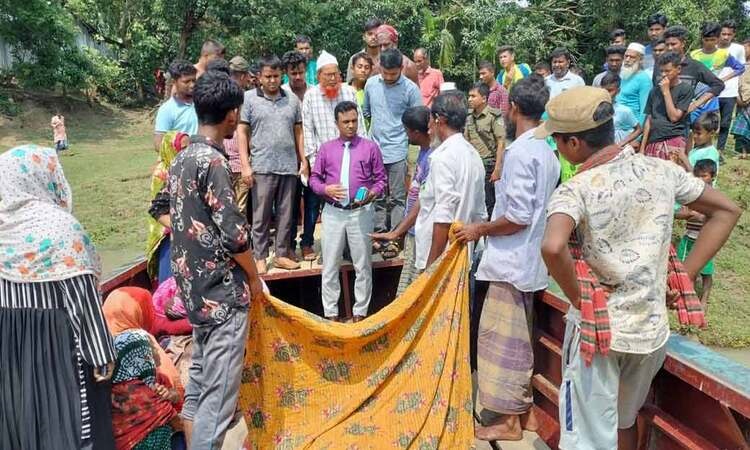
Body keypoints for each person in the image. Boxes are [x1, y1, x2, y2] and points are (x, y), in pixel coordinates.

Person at [539, 86, 740, 450]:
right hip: (649, 331)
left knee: (586, 435)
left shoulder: (576, 189)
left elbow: (553, 247)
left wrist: (582, 300)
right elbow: (727, 211)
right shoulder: (661, 170)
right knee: (625, 421)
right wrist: (686, 277)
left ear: (571, 145)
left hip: (597, 335)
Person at [454, 76, 558, 442]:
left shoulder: (521, 153)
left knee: (502, 345)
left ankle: (508, 422)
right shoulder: (547, 152)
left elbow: (516, 217)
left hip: (512, 264)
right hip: (528, 262)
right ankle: (525, 416)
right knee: (518, 340)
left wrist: (478, 229)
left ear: (512, 107)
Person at [167, 69, 265, 449]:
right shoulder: (215, 162)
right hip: (223, 299)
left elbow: (163, 209)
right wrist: (255, 278)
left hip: (195, 295)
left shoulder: (181, 159)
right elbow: (236, 235)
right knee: (219, 400)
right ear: (232, 115)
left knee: (200, 389)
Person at [0, 145, 116, 450]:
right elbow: (84, 303)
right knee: (70, 428)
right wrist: (102, 357)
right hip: (58, 353)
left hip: (10, 356)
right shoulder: (60, 229)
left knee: (20, 429)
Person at [310, 101, 387, 321]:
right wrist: (326, 188)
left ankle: (360, 312)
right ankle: (331, 314)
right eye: (346, 122)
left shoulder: (369, 147)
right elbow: (314, 179)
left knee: (362, 264)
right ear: (337, 123)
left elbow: (381, 179)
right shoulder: (326, 149)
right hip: (333, 212)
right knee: (330, 264)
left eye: (354, 121)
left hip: (360, 212)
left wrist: (373, 192)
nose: (351, 126)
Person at [238, 55, 304, 273]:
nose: (272, 81)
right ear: (259, 77)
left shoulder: (292, 99)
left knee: (286, 214)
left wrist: (303, 159)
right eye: (268, 76)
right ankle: (260, 255)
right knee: (261, 214)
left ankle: (282, 253)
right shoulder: (248, 99)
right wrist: (245, 165)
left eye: (276, 76)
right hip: (262, 166)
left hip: (288, 166)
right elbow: (242, 132)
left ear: (281, 76)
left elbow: (298, 131)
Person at [301, 51, 365, 262]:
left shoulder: (348, 92)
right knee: (313, 203)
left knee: (347, 202)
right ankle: (308, 243)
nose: (332, 78)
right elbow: (308, 130)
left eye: (335, 74)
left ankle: (347, 247)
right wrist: (310, 162)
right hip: (321, 159)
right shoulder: (310, 96)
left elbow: (360, 125)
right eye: (327, 75)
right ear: (318, 75)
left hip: (349, 157)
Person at [415, 91, 487, 271]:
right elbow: (480, 213)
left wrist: (432, 268)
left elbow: (443, 215)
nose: (429, 126)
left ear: (440, 119)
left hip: (442, 258)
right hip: (462, 256)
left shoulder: (443, 157)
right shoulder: (473, 154)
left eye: (431, 119)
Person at [104, 288, 183, 450]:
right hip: (157, 427)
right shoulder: (142, 340)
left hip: (119, 440)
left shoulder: (98, 349)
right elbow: (173, 385)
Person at [370, 106, 433, 295]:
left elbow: (424, 200)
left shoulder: (433, 158)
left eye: (406, 131)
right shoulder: (423, 152)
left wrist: (397, 232)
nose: (405, 135)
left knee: (416, 289)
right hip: (413, 230)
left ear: (415, 132)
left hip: (422, 230)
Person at [364, 48, 422, 238]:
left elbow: (418, 119)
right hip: (375, 149)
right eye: (385, 72)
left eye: (393, 73)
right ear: (380, 67)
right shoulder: (371, 85)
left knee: (397, 196)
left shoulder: (411, 90)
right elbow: (367, 112)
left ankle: (395, 235)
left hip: (398, 150)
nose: (389, 77)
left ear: (401, 68)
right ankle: (379, 233)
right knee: (377, 195)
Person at [657, 26, 724, 126]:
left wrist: (695, 105)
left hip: (682, 121)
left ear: (683, 44)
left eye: (674, 44)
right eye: (667, 45)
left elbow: (718, 85)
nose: (670, 48)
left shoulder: (694, 66)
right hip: (661, 119)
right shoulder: (659, 66)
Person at [147, 131, 190, 283]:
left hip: (185, 229)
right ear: (171, 148)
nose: (187, 152)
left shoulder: (185, 169)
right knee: (170, 281)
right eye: (183, 148)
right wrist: (180, 227)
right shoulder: (162, 173)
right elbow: (157, 208)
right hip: (169, 233)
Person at [676, 159, 719, 308]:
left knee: (706, 271)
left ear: (713, 177)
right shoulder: (692, 195)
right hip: (689, 236)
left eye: (704, 176)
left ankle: (704, 299)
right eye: (698, 176)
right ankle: (689, 298)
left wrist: (701, 215)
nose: (700, 180)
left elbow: (718, 217)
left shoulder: (715, 197)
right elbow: (679, 213)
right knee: (686, 267)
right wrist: (686, 215)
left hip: (705, 240)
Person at [642, 52, 694, 169]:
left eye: (668, 71)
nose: (664, 75)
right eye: (662, 71)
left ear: (678, 69)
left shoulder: (685, 90)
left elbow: (674, 117)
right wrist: (642, 147)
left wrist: (666, 92)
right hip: (654, 141)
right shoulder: (654, 91)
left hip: (673, 140)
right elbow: (649, 120)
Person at [689, 22, 744, 130]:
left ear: (718, 39)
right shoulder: (694, 55)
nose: (709, 43)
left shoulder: (723, 55)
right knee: (691, 129)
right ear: (702, 38)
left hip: (711, 99)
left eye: (712, 40)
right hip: (694, 98)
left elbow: (740, 68)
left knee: (706, 130)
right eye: (706, 40)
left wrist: (722, 79)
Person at [465, 82, 506, 215]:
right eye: (469, 96)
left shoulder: (493, 116)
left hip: (488, 165)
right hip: (473, 164)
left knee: (489, 201)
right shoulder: (468, 117)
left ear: (484, 98)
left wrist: (497, 169)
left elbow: (501, 142)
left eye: (473, 96)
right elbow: (466, 140)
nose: (469, 99)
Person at [222, 57, 254, 216]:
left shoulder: (220, 94)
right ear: (242, 76)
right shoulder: (245, 98)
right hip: (239, 162)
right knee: (239, 209)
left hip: (225, 160)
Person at [710, 20, 747, 152]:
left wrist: (740, 91)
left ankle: (720, 150)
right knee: (709, 122)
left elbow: (741, 70)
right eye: (723, 34)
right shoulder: (712, 47)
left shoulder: (738, 49)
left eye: (729, 34)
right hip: (712, 91)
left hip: (730, 91)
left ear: (733, 34)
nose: (725, 37)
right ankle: (706, 148)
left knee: (725, 123)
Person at [154, 60, 198, 152]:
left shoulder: (202, 103)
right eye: (186, 82)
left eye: (194, 80)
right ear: (174, 82)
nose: (192, 85)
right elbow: (159, 145)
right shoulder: (167, 110)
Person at [601, 73, 642, 146]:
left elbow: (638, 129)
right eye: (604, 90)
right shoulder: (595, 108)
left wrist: (622, 143)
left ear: (618, 91)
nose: (606, 94)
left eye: (610, 90)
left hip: (615, 150)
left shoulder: (624, 110)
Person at [616, 42, 652, 124]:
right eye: (626, 56)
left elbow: (645, 111)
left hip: (631, 130)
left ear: (641, 60)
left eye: (632, 57)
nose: (627, 60)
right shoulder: (622, 75)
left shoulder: (644, 79)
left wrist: (638, 134)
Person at [346, 17, 383, 82]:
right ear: (364, 37)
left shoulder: (388, 58)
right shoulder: (355, 59)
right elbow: (350, 85)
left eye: (376, 34)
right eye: (370, 34)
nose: (373, 37)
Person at [731, 37, 750, 159]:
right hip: (739, 98)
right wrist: (737, 96)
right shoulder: (737, 64)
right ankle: (743, 153)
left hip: (748, 99)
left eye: (747, 47)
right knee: (741, 128)